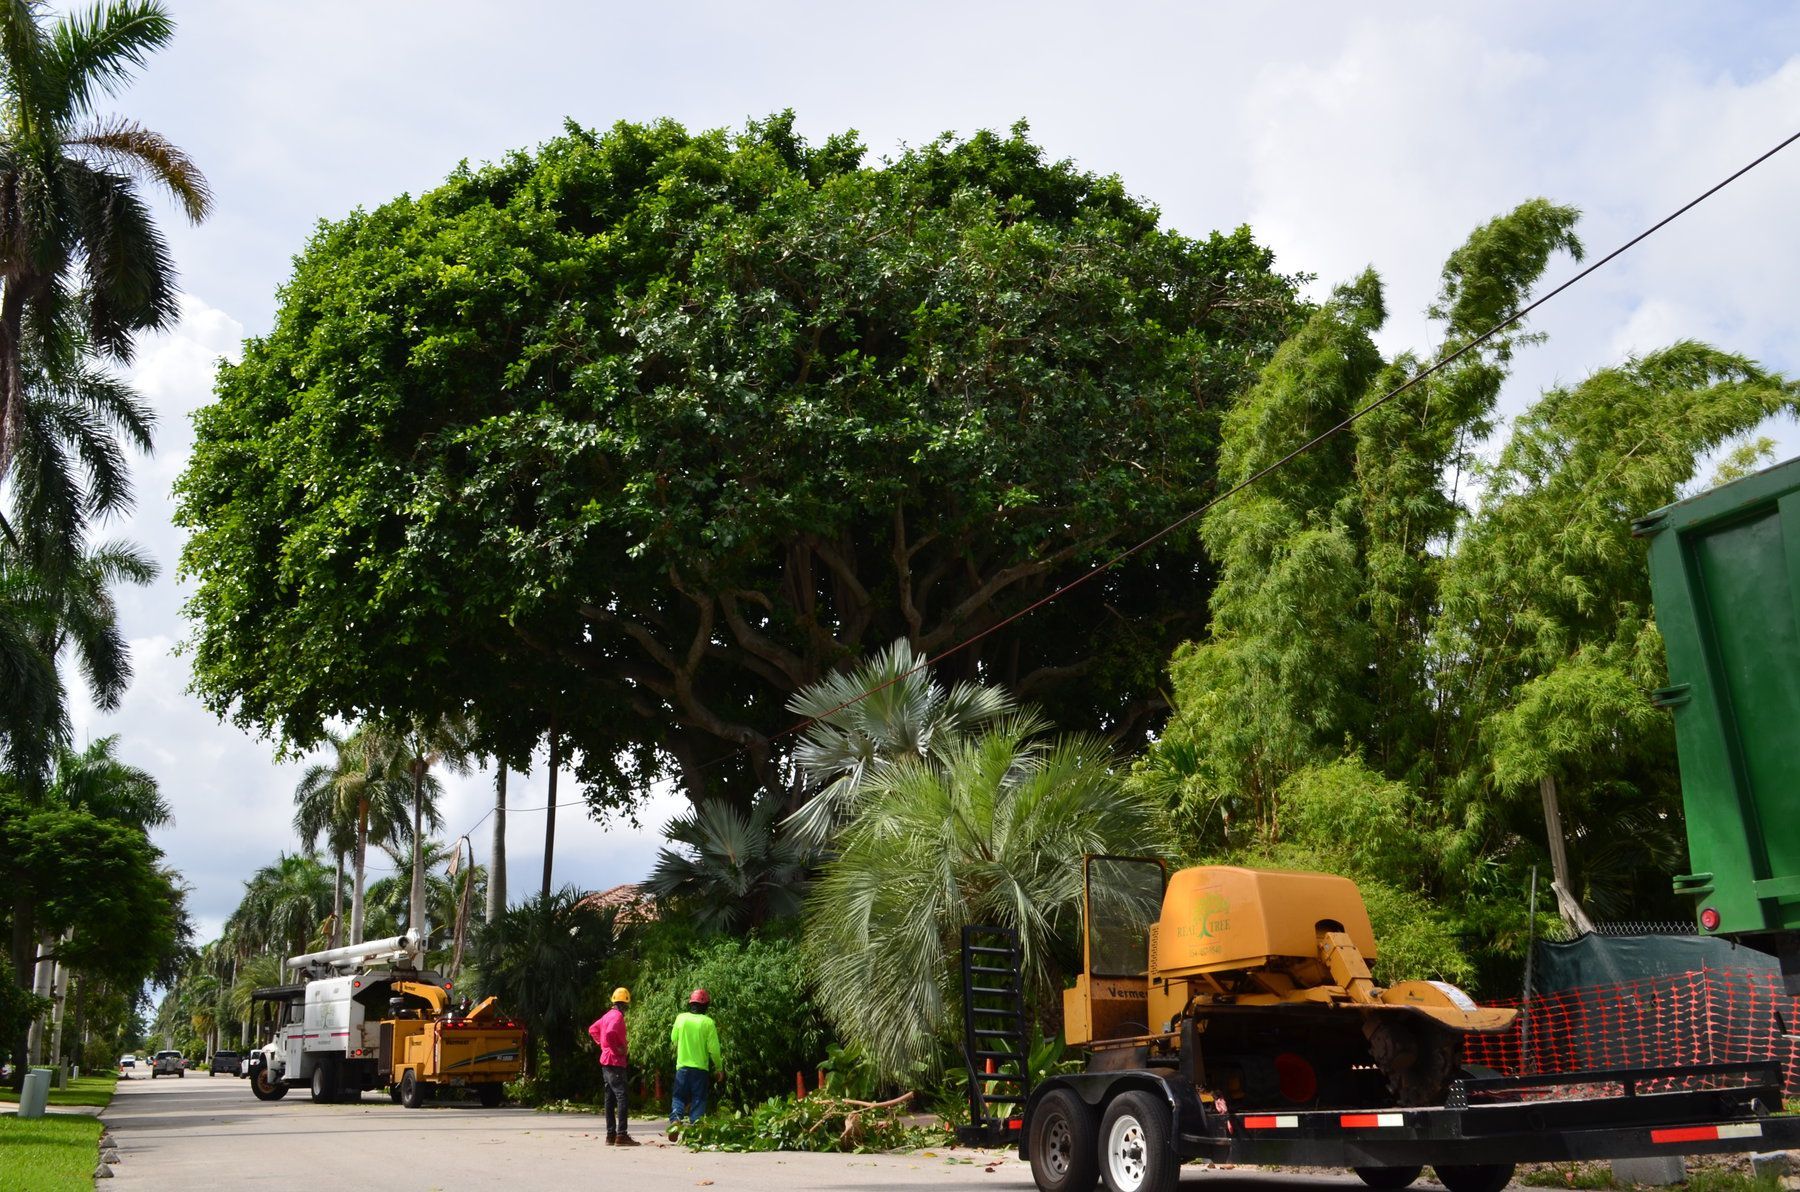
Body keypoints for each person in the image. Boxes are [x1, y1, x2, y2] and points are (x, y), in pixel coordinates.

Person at [668, 988, 723, 1137]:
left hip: (683, 1067)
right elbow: (714, 1050)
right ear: (706, 1006)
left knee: (679, 1097)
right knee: (699, 1098)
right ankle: (695, 1128)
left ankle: (675, 1121)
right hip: (700, 1070)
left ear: (691, 1003)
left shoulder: (681, 1018)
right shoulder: (708, 1023)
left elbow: (673, 1039)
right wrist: (719, 1068)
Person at [588, 987, 639, 1146]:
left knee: (609, 1098)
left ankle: (610, 1135)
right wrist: (616, 1049)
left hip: (605, 1061)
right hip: (615, 1061)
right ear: (625, 1004)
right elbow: (610, 1033)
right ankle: (621, 1135)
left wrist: (602, 1045)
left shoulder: (607, 1016)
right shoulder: (617, 1017)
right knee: (622, 1097)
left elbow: (592, 1029)